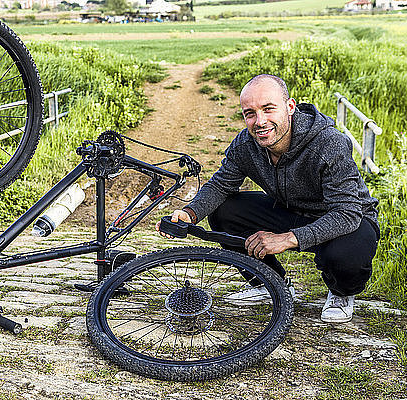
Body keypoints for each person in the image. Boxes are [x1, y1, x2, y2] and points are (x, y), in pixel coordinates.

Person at [159, 74, 379, 323]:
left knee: (346, 253)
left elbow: (346, 214)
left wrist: (287, 239)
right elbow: (221, 184)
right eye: (250, 113)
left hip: (346, 219)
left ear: (290, 107)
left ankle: (341, 292)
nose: (260, 121)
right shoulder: (246, 144)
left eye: (268, 109)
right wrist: (190, 213)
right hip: (291, 210)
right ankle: (268, 280)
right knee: (223, 211)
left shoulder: (329, 143)